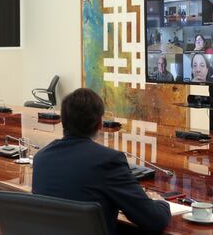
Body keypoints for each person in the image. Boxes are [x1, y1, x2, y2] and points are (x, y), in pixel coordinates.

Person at [32, 88, 171, 235]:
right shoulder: (108, 161)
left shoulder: (41, 157)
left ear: (62, 122)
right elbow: (154, 220)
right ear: (100, 123)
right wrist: (162, 202)